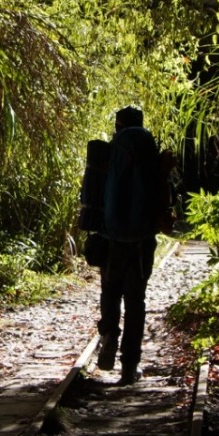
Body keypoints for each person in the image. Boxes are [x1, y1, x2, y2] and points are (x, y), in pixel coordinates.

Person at [94, 105, 171, 384]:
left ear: (119, 124)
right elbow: (163, 193)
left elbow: (94, 194)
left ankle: (110, 336)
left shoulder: (112, 149)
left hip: (111, 239)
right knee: (135, 302)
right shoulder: (149, 146)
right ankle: (129, 367)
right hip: (140, 242)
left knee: (110, 294)